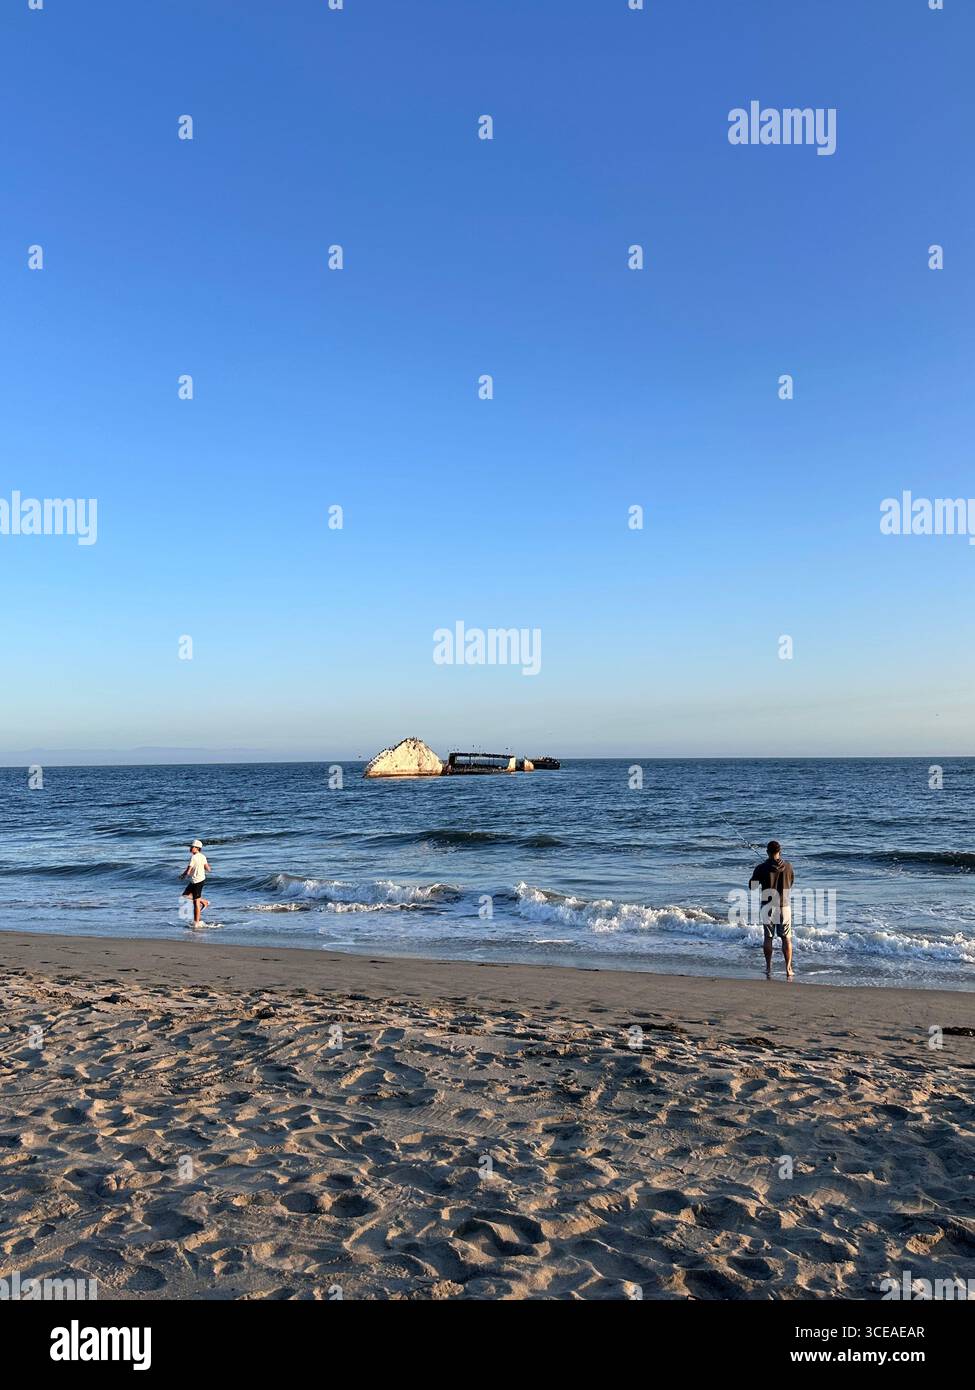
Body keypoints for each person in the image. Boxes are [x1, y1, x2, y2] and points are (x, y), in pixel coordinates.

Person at [750, 840, 794, 979]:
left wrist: (762, 874)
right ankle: (788, 969)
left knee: (768, 938)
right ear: (780, 851)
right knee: (786, 938)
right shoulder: (788, 866)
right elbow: (791, 883)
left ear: (767, 852)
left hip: (767, 906)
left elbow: (752, 887)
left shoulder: (761, 868)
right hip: (784, 906)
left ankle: (769, 967)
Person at [179, 838, 211, 925]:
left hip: (198, 881)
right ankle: (204, 902)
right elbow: (208, 869)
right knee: (185, 895)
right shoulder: (203, 856)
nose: (191, 848)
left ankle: (196, 922)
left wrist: (183, 875)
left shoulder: (193, 857)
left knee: (195, 902)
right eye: (191, 846)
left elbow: (188, 870)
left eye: (193, 847)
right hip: (196, 880)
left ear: (197, 848)